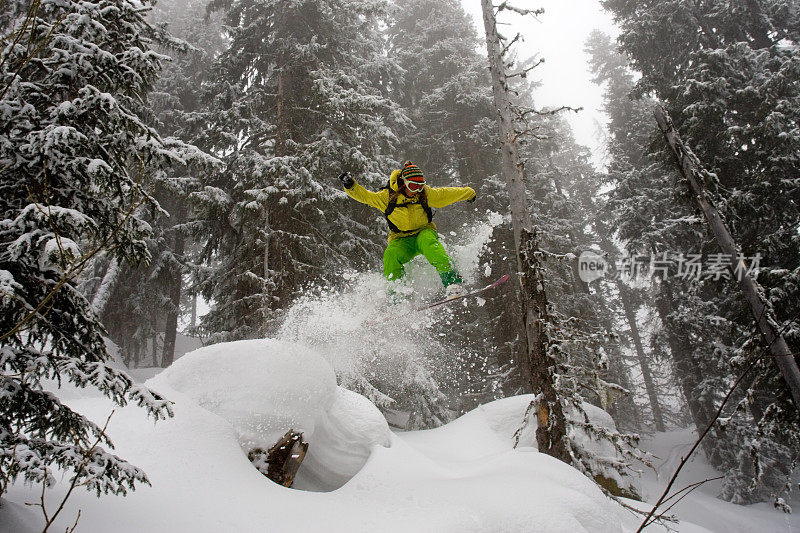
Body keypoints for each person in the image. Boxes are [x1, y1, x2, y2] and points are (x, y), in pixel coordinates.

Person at [338, 161, 476, 297]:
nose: (417, 190)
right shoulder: (387, 197)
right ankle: (398, 296)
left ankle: (453, 282)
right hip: (401, 238)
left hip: (423, 231)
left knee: (430, 244)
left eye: (420, 186)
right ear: (403, 184)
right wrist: (351, 186)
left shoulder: (424, 194)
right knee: (391, 256)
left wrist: (469, 193)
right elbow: (366, 197)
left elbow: (446, 194)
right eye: (413, 186)